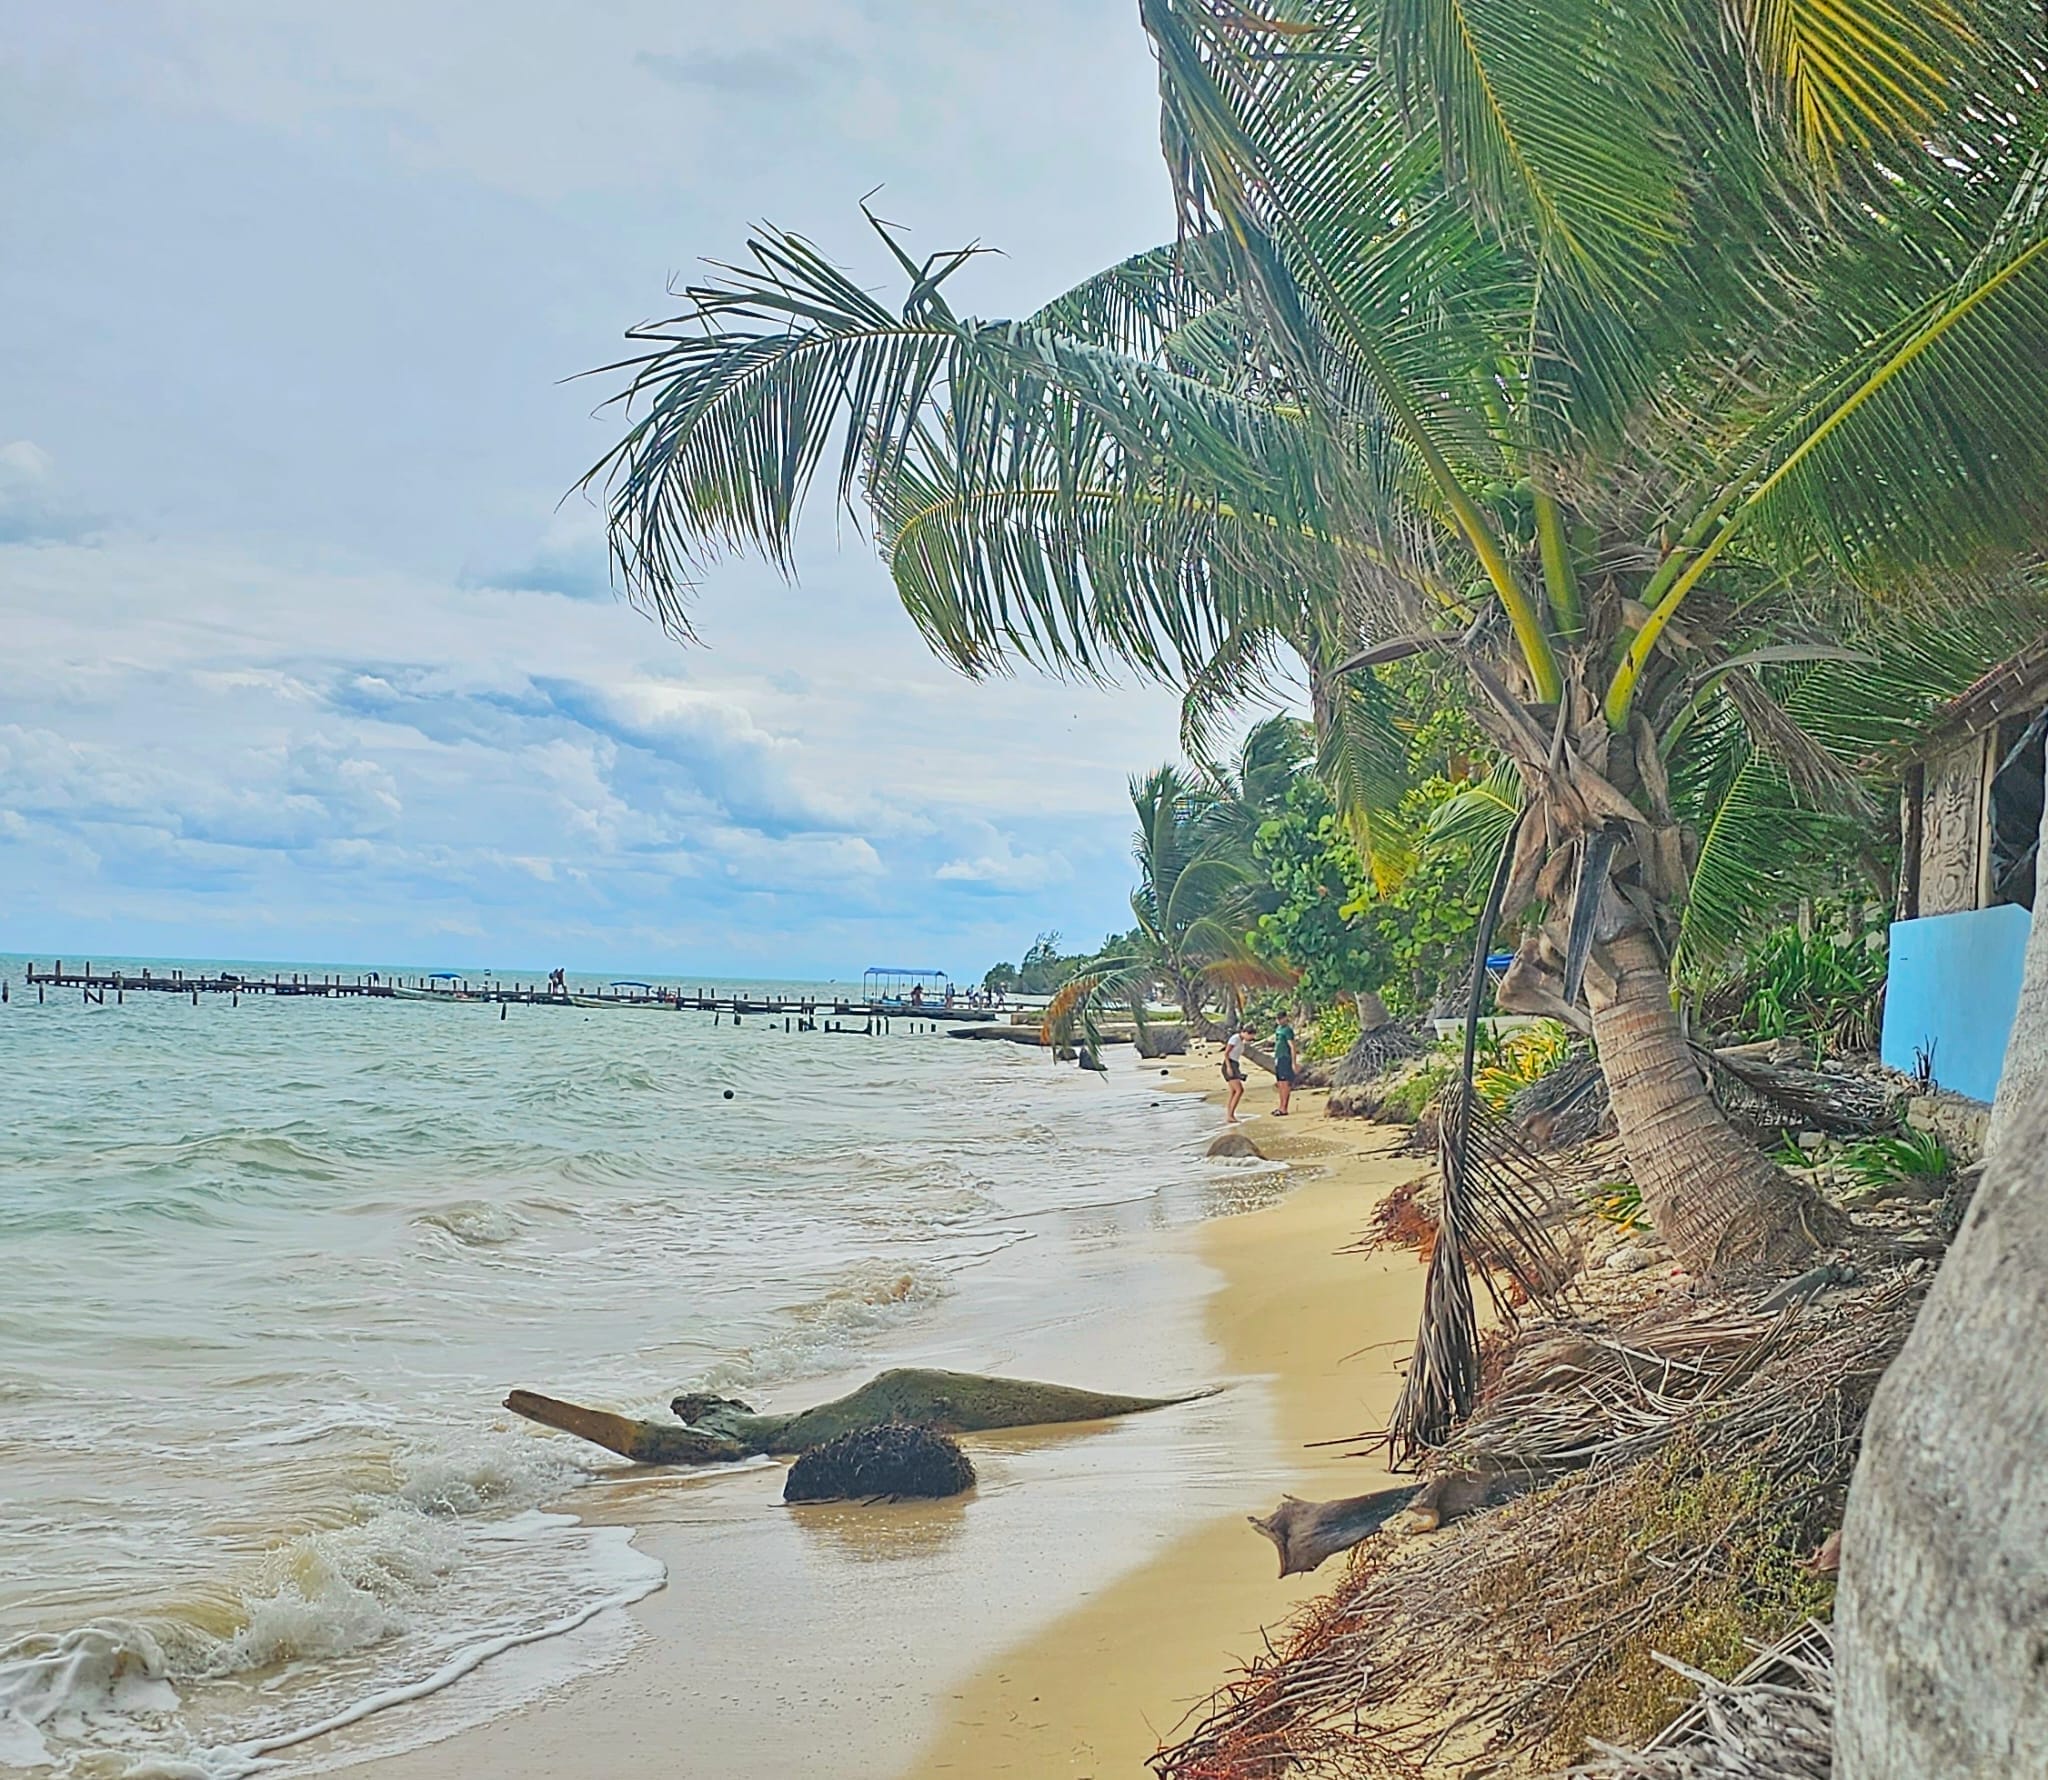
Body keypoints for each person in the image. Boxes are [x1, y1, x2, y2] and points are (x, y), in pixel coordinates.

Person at [1222, 1024, 1249, 1122]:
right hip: (1230, 1064)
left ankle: (1230, 1115)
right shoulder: (1235, 1039)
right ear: (1245, 1032)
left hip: (1235, 1064)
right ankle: (1230, 1115)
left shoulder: (1241, 1041)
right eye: (1250, 1035)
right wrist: (1229, 1067)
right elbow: (1226, 1053)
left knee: (1234, 1091)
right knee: (1239, 1090)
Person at [1272, 1013, 1298, 1115]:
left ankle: (1284, 1108)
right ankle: (1281, 1106)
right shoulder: (1278, 1029)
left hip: (1285, 1058)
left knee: (1285, 1083)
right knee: (1280, 1083)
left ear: (1285, 1018)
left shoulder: (1287, 1030)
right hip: (1278, 1057)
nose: (1278, 1021)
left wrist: (1293, 1062)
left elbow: (1292, 1047)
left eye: (1280, 1019)